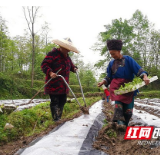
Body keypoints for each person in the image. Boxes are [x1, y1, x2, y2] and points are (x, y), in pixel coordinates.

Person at [98, 39, 150, 127]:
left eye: (113, 53)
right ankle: (120, 124)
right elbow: (109, 77)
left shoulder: (128, 60)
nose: (112, 56)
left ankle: (125, 125)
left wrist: (145, 76)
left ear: (119, 51)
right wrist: (103, 81)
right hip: (116, 88)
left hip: (128, 88)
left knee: (128, 111)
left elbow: (139, 70)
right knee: (118, 108)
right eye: (111, 54)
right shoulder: (111, 63)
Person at [41, 37, 79, 122]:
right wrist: (50, 73)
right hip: (54, 84)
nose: (68, 51)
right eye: (66, 49)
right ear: (61, 46)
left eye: (69, 49)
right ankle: (56, 119)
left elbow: (71, 66)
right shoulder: (53, 53)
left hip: (64, 85)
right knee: (55, 101)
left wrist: (75, 69)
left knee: (63, 101)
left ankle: (59, 117)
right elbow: (44, 64)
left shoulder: (67, 57)